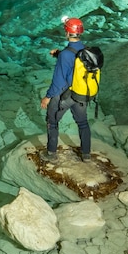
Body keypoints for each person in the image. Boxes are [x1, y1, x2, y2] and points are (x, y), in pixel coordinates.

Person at [40, 16, 92, 162]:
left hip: (65, 95)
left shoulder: (66, 54)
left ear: (67, 32)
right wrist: (58, 55)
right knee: (82, 123)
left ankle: (51, 154)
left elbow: (58, 81)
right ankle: (86, 155)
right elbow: (75, 65)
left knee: (52, 121)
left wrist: (48, 97)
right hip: (81, 94)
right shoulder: (86, 50)